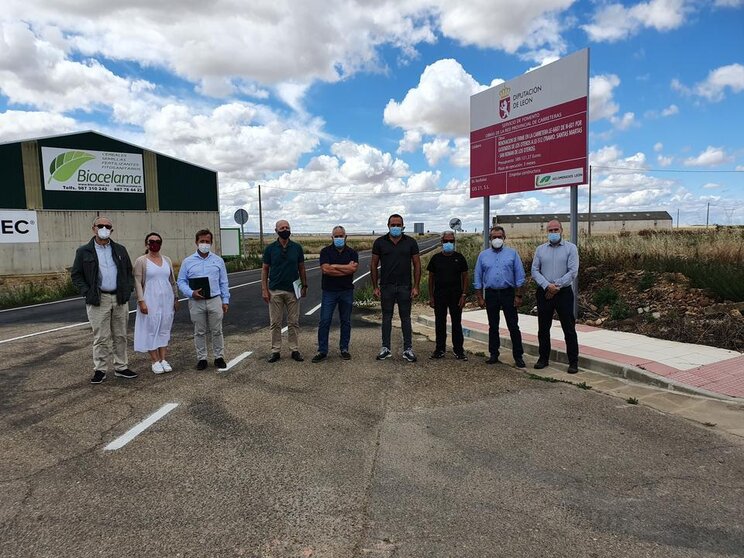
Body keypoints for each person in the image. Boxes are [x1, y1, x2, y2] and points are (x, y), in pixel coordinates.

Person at [71, 216, 137, 384]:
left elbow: (129, 272)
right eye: (100, 225)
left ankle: (121, 367)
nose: (104, 228)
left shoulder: (120, 250)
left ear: (111, 230)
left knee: (120, 335)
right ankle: (100, 369)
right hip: (98, 299)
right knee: (101, 337)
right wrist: (86, 292)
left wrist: (128, 289)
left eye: (108, 226)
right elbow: (76, 275)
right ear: (94, 228)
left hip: (119, 298)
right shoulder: (84, 251)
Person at [531, 219, 580, 374]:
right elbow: (534, 271)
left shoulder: (571, 248)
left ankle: (573, 362)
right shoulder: (540, 249)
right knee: (543, 328)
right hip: (544, 292)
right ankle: (543, 358)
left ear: (561, 230)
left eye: (555, 230)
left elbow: (573, 271)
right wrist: (547, 286)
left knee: (569, 328)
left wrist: (556, 285)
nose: (553, 233)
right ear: (547, 232)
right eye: (550, 230)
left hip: (563, 293)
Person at [177, 229, 230, 370]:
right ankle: (202, 358)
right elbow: (181, 281)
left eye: (207, 241)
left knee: (217, 330)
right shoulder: (188, 262)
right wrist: (190, 292)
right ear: (196, 242)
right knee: (199, 331)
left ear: (211, 243)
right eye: (202, 241)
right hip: (196, 301)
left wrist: (225, 300)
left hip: (214, 299)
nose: (205, 244)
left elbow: (223, 282)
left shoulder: (218, 261)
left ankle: (219, 357)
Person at [370, 214, 421, 362]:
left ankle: (408, 349)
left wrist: (416, 286)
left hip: (405, 286)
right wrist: (375, 287)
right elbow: (373, 264)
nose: (396, 227)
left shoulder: (410, 242)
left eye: (399, 225)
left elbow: (417, 264)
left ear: (403, 226)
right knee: (386, 318)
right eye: (393, 225)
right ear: (388, 225)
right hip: (386, 286)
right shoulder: (380, 242)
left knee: (406, 318)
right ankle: (385, 348)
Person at [474, 226, 526, 368]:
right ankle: (493, 354)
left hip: (508, 293)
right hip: (491, 294)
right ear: (490, 238)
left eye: (499, 237)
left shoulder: (512, 254)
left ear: (504, 238)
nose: (497, 239)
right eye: (494, 237)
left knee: (513, 326)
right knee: (493, 326)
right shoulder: (483, 255)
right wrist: (479, 297)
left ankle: (518, 356)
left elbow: (520, 276)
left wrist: (519, 295)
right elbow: (478, 277)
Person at [262, 220, 307, 363]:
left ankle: (294, 349)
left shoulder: (297, 248)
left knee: (293, 322)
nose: (285, 229)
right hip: (275, 290)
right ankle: (275, 350)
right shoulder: (270, 249)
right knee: (275, 322)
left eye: (287, 227)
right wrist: (264, 289)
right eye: (282, 228)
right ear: (276, 230)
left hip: (293, 290)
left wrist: (304, 286)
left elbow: (301, 268)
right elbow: (265, 269)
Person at [312, 226, 359, 363]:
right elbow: (326, 270)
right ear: (332, 237)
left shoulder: (352, 252)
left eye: (341, 236)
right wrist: (345, 268)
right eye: (336, 236)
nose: (339, 238)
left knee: (346, 321)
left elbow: (353, 270)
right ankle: (322, 350)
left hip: (346, 291)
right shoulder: (325, 251)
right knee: (325, 320)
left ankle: (344, 349)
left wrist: (334, 266)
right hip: (329, 292)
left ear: (346, 237)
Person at [133, 233, 179, 374]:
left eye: (157, 241)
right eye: (151, 241)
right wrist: (141, 301)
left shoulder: (167, 260)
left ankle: (163, 359)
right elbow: (138, 282)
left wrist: (176, 298)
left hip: (166, 300)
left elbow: (172, 281)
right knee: (151, 329)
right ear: (146, 244)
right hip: (150, 299)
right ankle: (155, 360)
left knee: (164, 328)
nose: (155, 244)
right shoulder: (141, 261)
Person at [427, 231, 469, 360]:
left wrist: (464, 295)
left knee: (456, 323)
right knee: (440, 323)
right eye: (446, 241)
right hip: (439, 295)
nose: (448, 243)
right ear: (442, 242)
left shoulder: (460, 258)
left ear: (454, 242)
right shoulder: (435, 259)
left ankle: (459, 350)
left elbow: (465, 277)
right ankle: (439, 350)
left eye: (451, 241)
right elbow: (431, 279)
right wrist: (431, 297)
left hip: (456, 295)